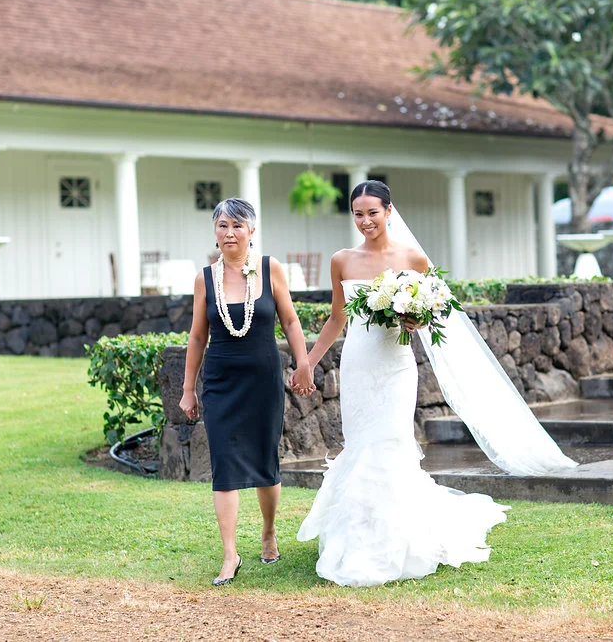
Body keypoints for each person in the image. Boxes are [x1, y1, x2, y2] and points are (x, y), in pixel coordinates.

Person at [291, 180, 511, 587]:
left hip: (396, 365)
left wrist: (417, 318)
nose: (365, 220)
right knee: (360, 444)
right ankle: (356, 535)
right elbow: (338, 317)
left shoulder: (414, 257)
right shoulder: (341, 259)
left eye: (372, 212)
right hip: (358, 364)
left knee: (390, 443)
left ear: (389, 211)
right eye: (358, 213)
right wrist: (307, 362)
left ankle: (396, 539)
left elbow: (432, 313)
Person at [179, 197, 316, 587]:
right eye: (222, 225)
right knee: (224, 463)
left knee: (264, 460)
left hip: (263, 380)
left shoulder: (270, 269)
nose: (229, 232)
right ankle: (229, 554)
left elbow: (290, 320)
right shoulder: (205, 279)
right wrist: (189, 390)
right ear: (215, 232)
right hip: (221, 382)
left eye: (237, 226)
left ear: (251, 231)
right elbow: (196, 335)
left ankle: (269, 532)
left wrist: (303, 363)